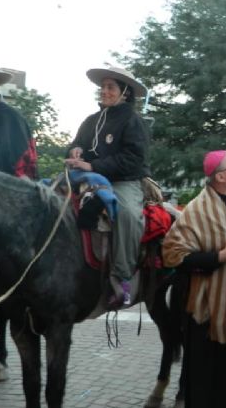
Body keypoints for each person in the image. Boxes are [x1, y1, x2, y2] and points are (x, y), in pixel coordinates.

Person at [163, 150, 226, 408]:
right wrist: (221, 256)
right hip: (211, 313)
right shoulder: (197, 209)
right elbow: (173, 254)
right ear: (220, 176)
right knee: (213, 381)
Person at [65, 66, 149, 307]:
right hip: (85, 180)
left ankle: (123, 280)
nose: (104, 91)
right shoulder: (91, 120)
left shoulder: (134, 121)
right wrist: (74, 150)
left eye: (110, 87)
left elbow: (134, 159)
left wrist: (94, 166)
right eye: (103, 87)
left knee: (127, 215)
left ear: (125, 92)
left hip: (123, 182)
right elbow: (74, 144)